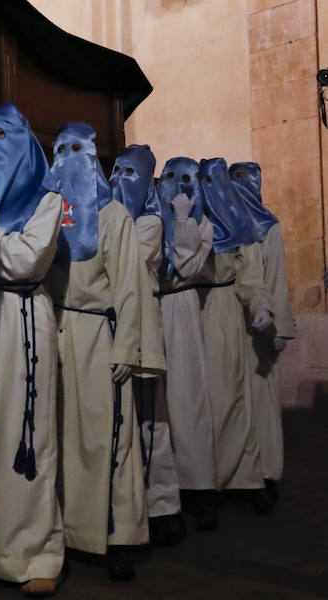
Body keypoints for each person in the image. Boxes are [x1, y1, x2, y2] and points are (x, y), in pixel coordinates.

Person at [43, 123, 148, 581]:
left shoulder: (113, 216)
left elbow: (130, 287)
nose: (67, 158)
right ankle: (68, 532)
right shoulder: (45, 210)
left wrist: (126, 344)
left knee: (111, 438)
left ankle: (119, 535)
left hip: (98, 336)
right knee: (61, 438)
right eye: (59, 150)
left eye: (77, 150)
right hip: (55, 330)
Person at [0, 104, 64, 595]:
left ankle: (35, 553)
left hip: (22, 320)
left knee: (26, 436)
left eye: (1, 133)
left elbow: (26, 261)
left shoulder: (46, 200)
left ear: (25, 142)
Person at [109, 145, 183, 546]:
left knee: (151, 418)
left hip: (143, 323)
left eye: (131, 173)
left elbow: (127, 265)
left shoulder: (151, 222)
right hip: (114, 322)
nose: (120, 179)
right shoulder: (107, 218)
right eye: (115, 170)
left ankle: (163, 504)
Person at [197, 158, 273, 513]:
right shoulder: (190, 222)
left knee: (232, 397)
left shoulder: (241, 227)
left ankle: (244, 477)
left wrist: (260, 305)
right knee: (200, 405)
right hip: (192, 312)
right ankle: (204, 483)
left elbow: (251, 276)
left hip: (225, 311)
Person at [155, 158, 219, 530]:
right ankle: (165, 493)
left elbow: (187, 268)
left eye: (186, 179)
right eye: (170, 178)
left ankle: (199, 489)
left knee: (189, 399)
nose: (177, 186)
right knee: (159, 405)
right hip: (153, 306)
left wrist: (182, 222)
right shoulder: (148, 213)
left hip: (181, 306)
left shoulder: (201, 222)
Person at [229, 162, 294, 502]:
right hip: (233, 328)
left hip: (262, 329)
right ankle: (242, 473)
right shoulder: (226, 223)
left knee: (264, 403)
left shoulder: (268, 226)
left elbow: (278, 279)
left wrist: (279, 325)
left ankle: (268, 472)